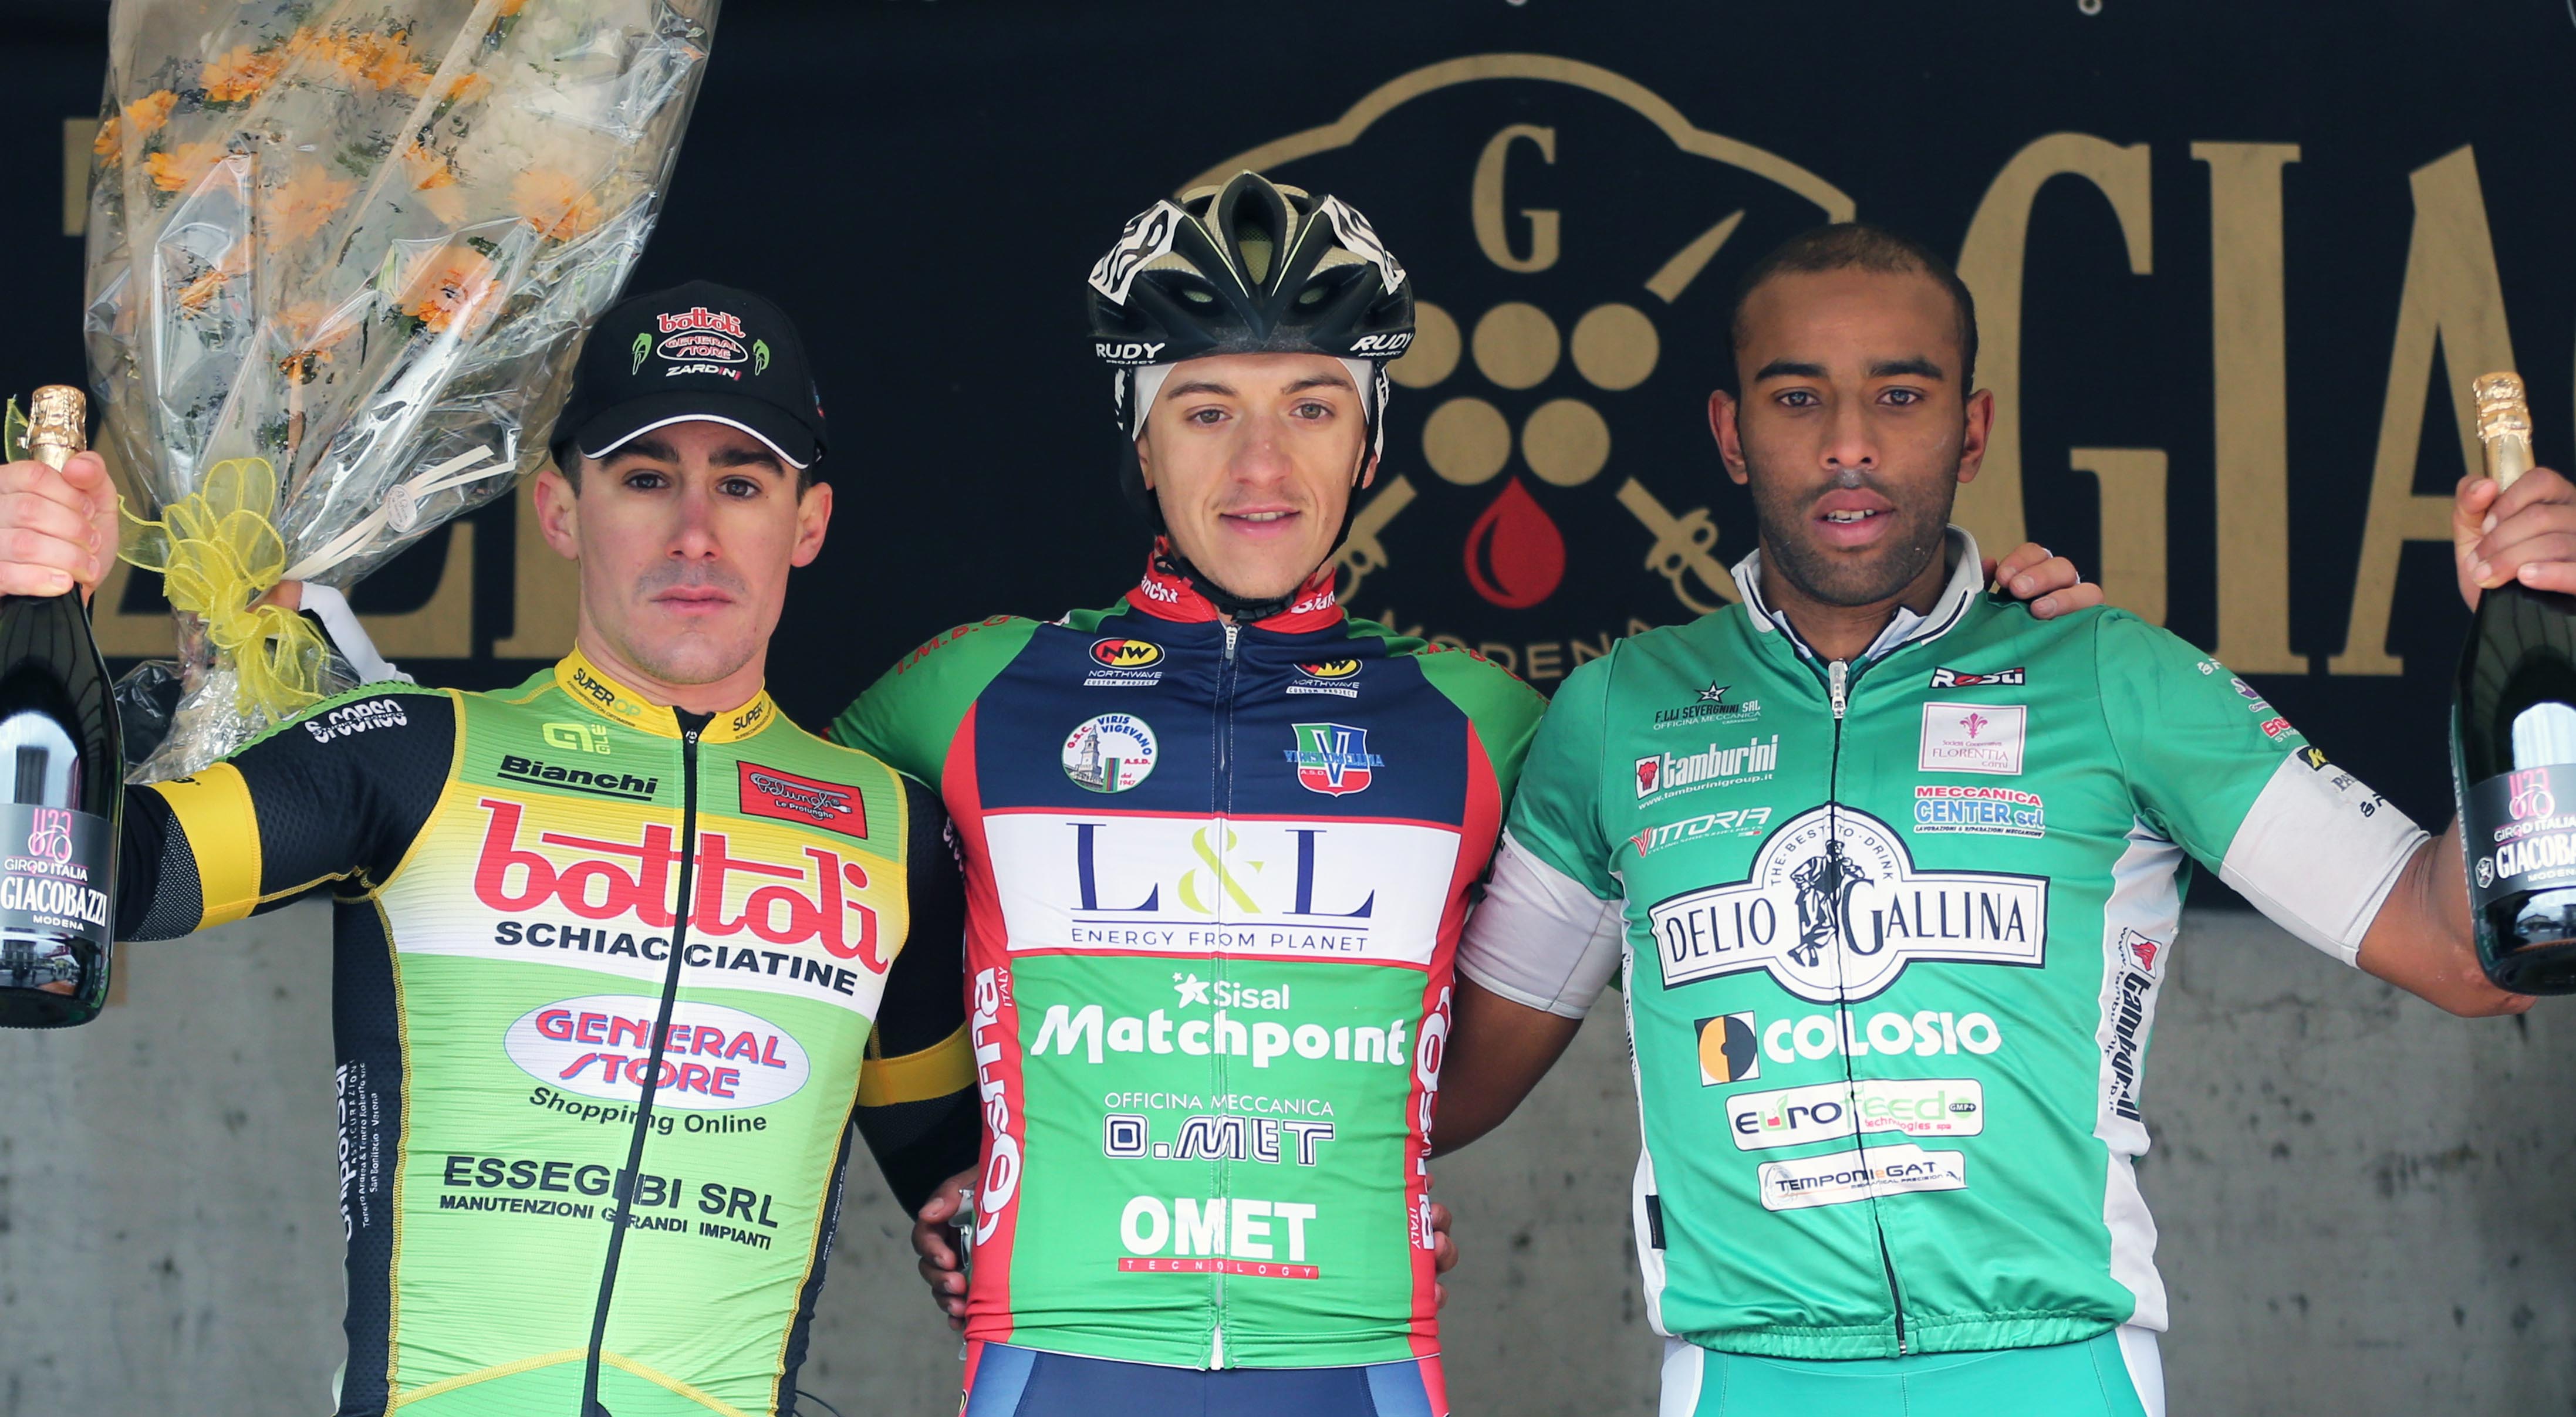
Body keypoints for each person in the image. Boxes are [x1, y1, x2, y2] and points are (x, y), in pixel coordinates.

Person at [839, 176, 2096, 1416]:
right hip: (1052, 1353)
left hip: (1360, 1358)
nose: (1261, 462)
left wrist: (1983, 638)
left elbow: (1789, 777)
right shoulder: (973, 690)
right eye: (1206, 410)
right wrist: (948, 1161)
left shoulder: (1483, 720)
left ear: (1372, 437)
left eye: (1313, 407)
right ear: (1139, 437)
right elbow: (775, 839)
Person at [1430, 223, 2547, 1417]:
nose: (1848, 443)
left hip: (2055, 1370)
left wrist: (2541, 644)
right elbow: (1447, 1090)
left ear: (1970, 429)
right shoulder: (1617, 714)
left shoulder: (2107, 674)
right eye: (1797, 397)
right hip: (1742, 1377)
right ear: (1730, 431)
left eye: (1898, 395)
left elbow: (2465, 953)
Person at [0, 281, 977, 1417]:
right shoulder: (410, 756)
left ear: (807, 524)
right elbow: (92, 879)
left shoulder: (892, 832)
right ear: (559, 510)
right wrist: (36, 614)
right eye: (645, 478)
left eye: (742, 482)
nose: (695, 532)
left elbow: (964, 1187)